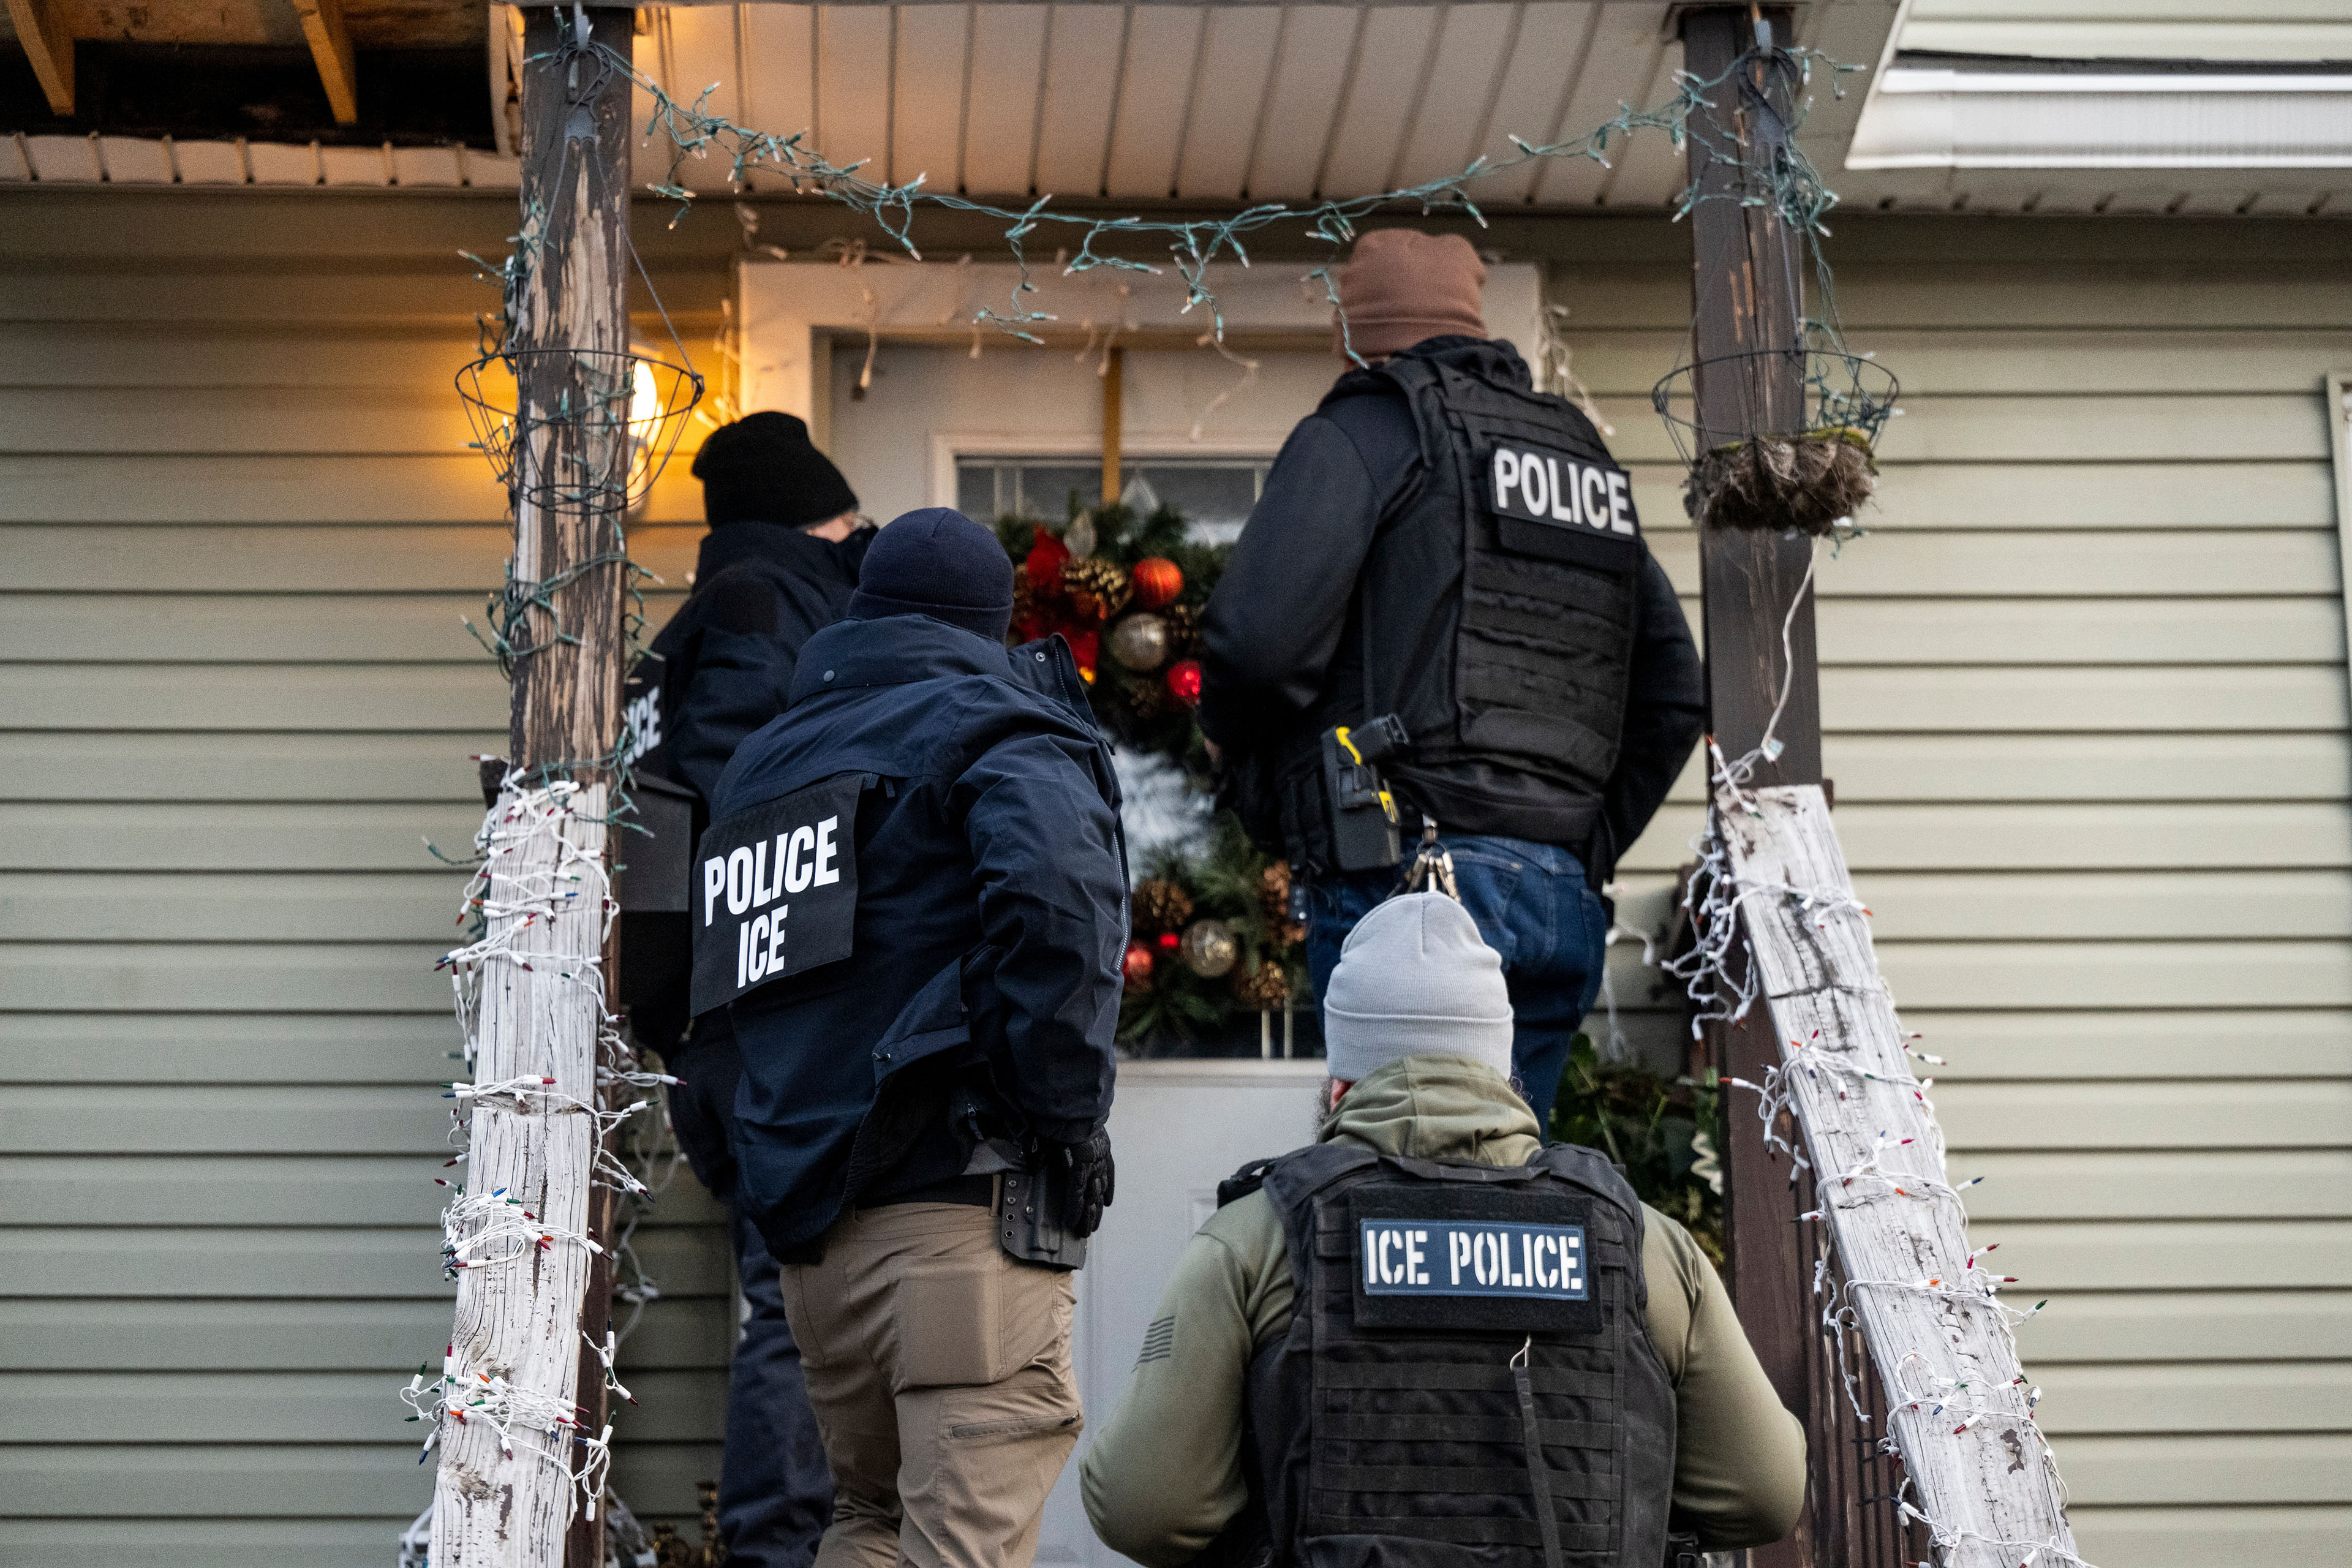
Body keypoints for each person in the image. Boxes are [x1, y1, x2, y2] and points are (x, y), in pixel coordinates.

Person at [1080, 893, 1804, 1568]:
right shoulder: (1645, 1245)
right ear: (1503, 1075)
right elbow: (1763, 1493)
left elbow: (1144, 1508)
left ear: (1340, 1088)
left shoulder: (1253, 1239)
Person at [1197, 228, 1705, 1129]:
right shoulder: (1578, 456)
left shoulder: (1368, 427)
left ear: (1357, 334)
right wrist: (1574, 846)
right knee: (1508, 1199)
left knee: (1403, 1206)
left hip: (1404, 884)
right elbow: (1671, 696)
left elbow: (1254, 649)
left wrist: (1246, 778)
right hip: (1559, 897)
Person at [704, 507, 1128, 1568]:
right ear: (991, 621)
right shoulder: (992, 723)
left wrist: (759, 1171)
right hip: (960, 1229)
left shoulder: (763, 768)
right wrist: (1060, 1119)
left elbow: (713, 1010)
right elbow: (1059, 906)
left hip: (817, 1258)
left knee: (867, 1527)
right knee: (957, 1549)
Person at [616, 410, 869, 1568]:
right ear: (813, 519)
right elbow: (750, 792)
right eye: (847, 522)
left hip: (713, 1010)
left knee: (795, 1286)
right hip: (766, 1006)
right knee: (795, 1291)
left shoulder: (702, 618)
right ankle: (779, 1552)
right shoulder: (771, 606)